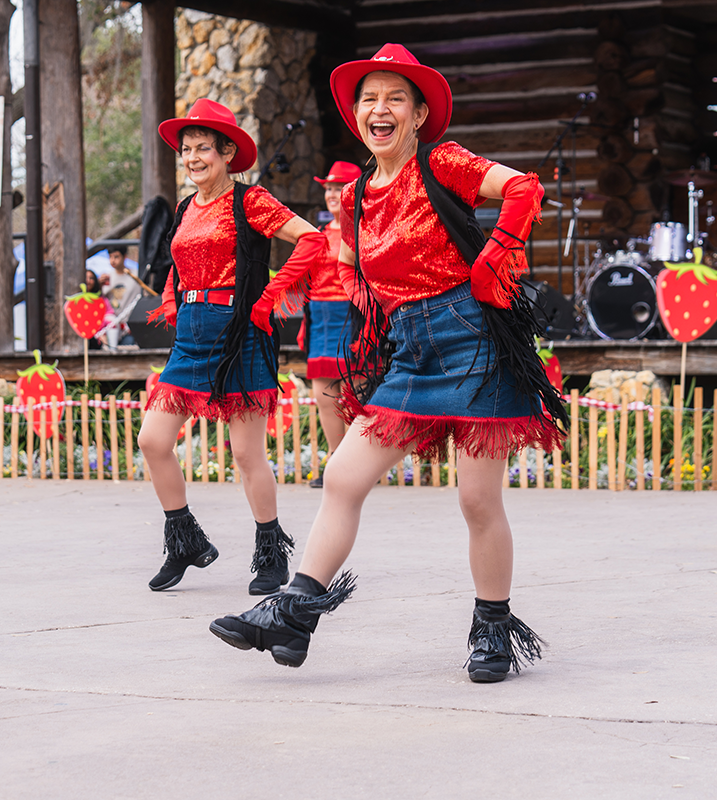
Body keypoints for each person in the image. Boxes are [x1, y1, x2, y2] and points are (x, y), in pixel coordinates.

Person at [209, 44, 569, 682]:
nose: (380, 108)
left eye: (395, 98)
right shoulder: (350, 200)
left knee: (477, 502)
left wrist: (496, 260)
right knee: (343, 475)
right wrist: (363, 346)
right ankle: (295, 615)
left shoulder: (442, 162)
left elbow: (522, 187)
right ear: (356, 114)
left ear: (418, 112)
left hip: (473, 340)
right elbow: (362, 281)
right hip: (410, 349)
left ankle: (492, 630)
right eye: (369, 98)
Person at [138, 99, 327, 595]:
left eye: (203, 149)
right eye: (186, 150)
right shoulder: (184, 208)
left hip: (241, 331)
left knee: (246, 454)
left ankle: (271, 553)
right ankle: (184, 539)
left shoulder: (251, 201)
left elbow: (311, 240)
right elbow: (178, 262)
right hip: (193, 333)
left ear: (226, 154)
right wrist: (172, 298)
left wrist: (270, 295)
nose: (193, 158)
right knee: (152, 441)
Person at [301, 161, 362, 487]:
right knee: (324, 395)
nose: (332, 194)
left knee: (355, 390)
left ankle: (358, 463)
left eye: (339, 188)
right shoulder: (320, 233)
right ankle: (336, 464)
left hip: (351, 312)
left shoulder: (364, 230)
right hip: (321, 315)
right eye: (328, 188)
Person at [99, 245, 141, 347]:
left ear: (124, 257)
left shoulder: (136, 276)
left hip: (129, 327)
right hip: (110, 326)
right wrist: (98, 285)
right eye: (110, 257)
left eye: (116, 257)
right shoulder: (107, 277)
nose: (112, 260)